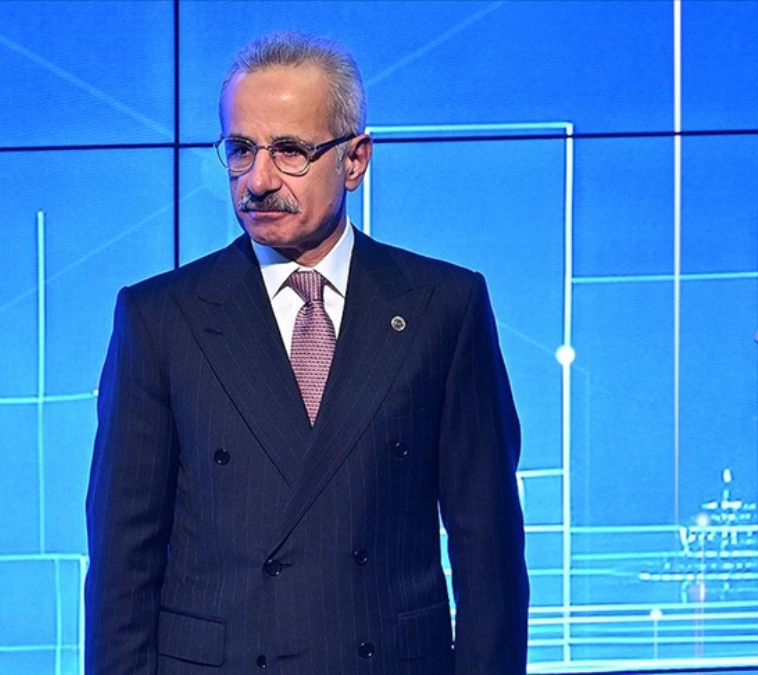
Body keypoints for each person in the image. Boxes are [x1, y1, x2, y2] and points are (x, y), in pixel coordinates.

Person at [85, 31, 529, 675]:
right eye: (241, 150)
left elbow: (489, 553)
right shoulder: (160, 318)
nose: (258, 180)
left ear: (355, 160)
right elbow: (123, 560)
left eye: (290, 151)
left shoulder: (444, 307)